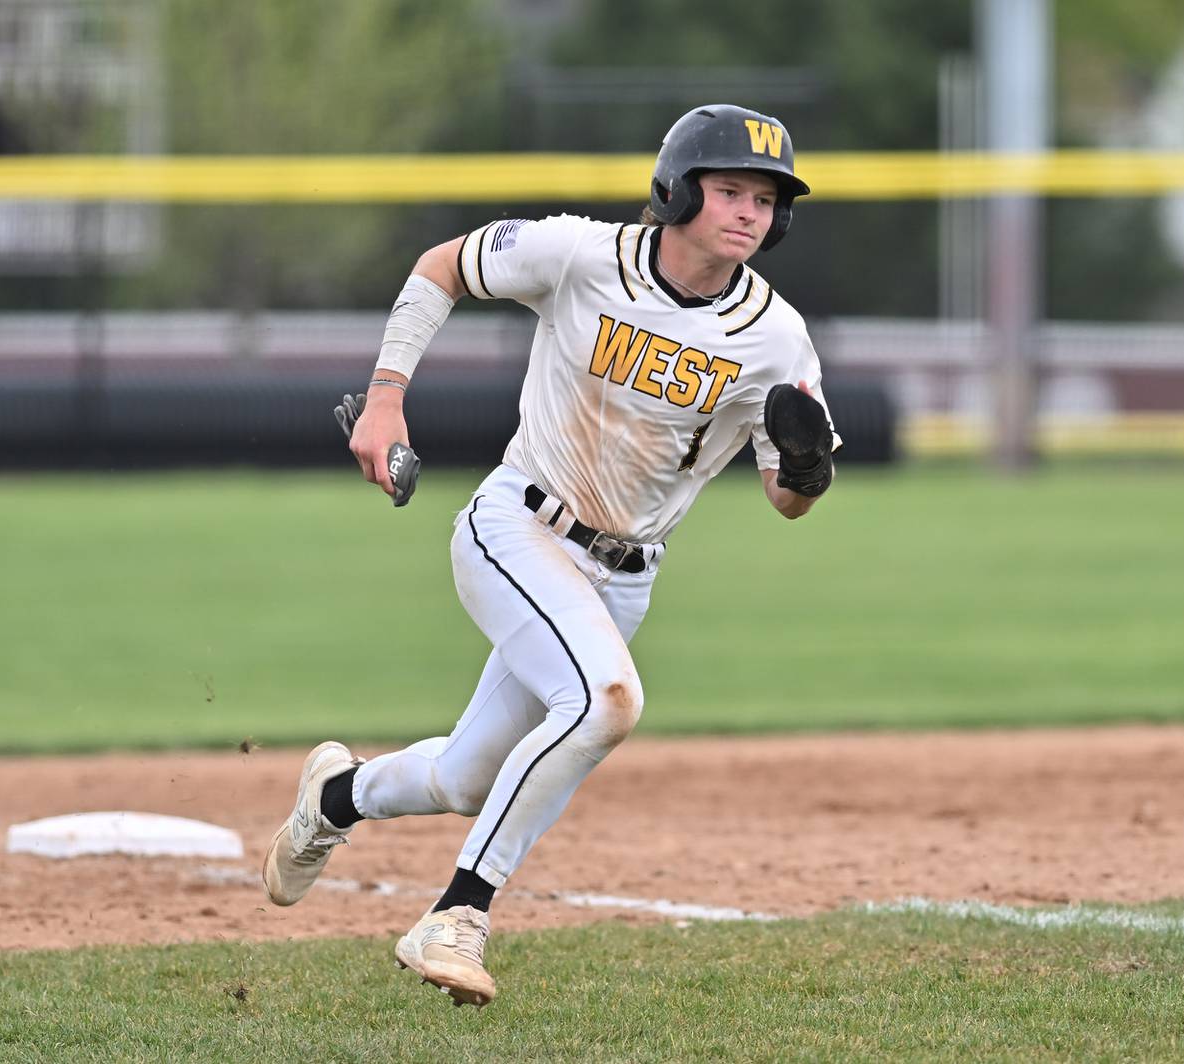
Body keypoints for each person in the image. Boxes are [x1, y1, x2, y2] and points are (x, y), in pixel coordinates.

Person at [259, 104, 839, 1007]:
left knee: (466, 776)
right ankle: (457, 914)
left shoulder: (777, 339)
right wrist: (385, 398)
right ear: (678, 189)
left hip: (626, 577)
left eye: (767, 199)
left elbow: (788, 500)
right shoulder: (579, 254)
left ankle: (335, 798)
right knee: (607, 703)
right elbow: (440, 267)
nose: (750, 212)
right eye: (730, 189)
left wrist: (807, 466)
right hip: (518, 526)